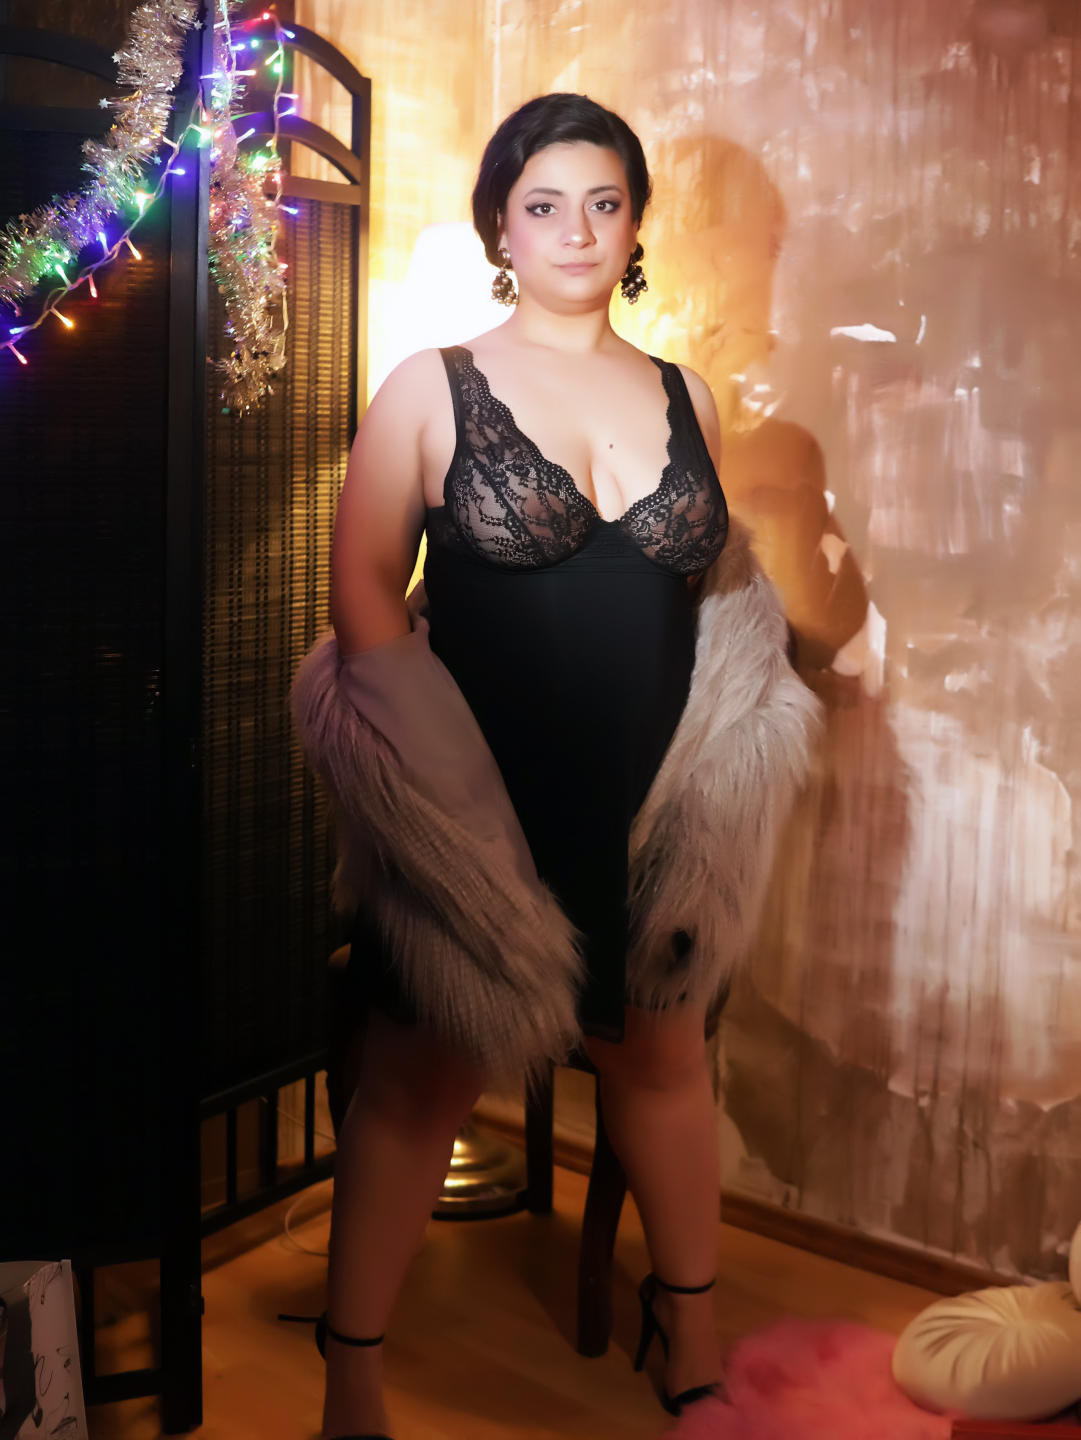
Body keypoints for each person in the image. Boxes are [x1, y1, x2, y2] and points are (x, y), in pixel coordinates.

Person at [291, 92, 820, 1440]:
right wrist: (454, 815)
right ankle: (353, 1374)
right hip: (472, 797)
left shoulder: (688, 395)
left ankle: (687, 1328)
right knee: (419, 1076)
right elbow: (364, 599)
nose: (575, 230)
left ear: (634, 226)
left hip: (651, 797)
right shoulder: (429, 386)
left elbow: (710, 601)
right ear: (501, 227)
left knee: (660, 1060)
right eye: (544, 205)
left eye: (602, 203)